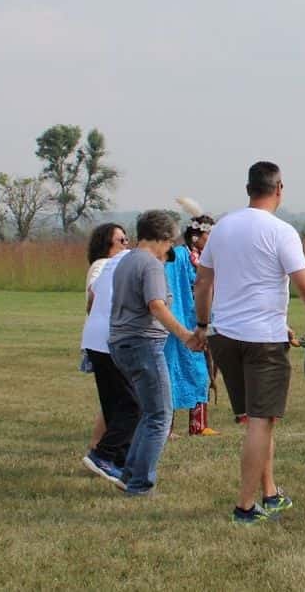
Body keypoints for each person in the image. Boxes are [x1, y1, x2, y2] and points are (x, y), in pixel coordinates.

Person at [192, 161, 305, 525]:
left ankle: (270, 492)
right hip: (263, 339)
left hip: (224, 336)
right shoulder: (282, 232)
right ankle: (245, 506)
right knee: (261, 420)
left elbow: (203, 283)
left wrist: (201, 326)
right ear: (279, 189)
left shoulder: (223, 228)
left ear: (248, 189)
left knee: (257, 420)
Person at [107, 210, 199, 496]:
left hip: (121, 343)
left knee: (149, 413)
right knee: (160, 415)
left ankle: (129, 474)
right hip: (143, 344)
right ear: (160, 238)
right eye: (169, 242)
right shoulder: (150, 265)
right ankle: (140, 484)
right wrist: (185, 335)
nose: (169, 248)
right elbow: (157, 306)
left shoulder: (126, 260)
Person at [80, 223, 131, 487]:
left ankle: (116, 458)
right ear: (106, 244)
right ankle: (102, 451)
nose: (126, 244)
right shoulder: (102, 265)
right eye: (120, 240)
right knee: (127, 402)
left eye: (126, 239)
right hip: (106, 341)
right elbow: (92, 298)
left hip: (104, 340)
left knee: (113, 402)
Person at [165, 212, 217, 437]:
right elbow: (168, 286)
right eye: (209, 235)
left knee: (199, 373)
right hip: (176, 323)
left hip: (196, 322)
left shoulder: (203, 259)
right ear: (196, 236)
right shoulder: (177, 256)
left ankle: (198, 425)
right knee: (169, 374)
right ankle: (165, 427)